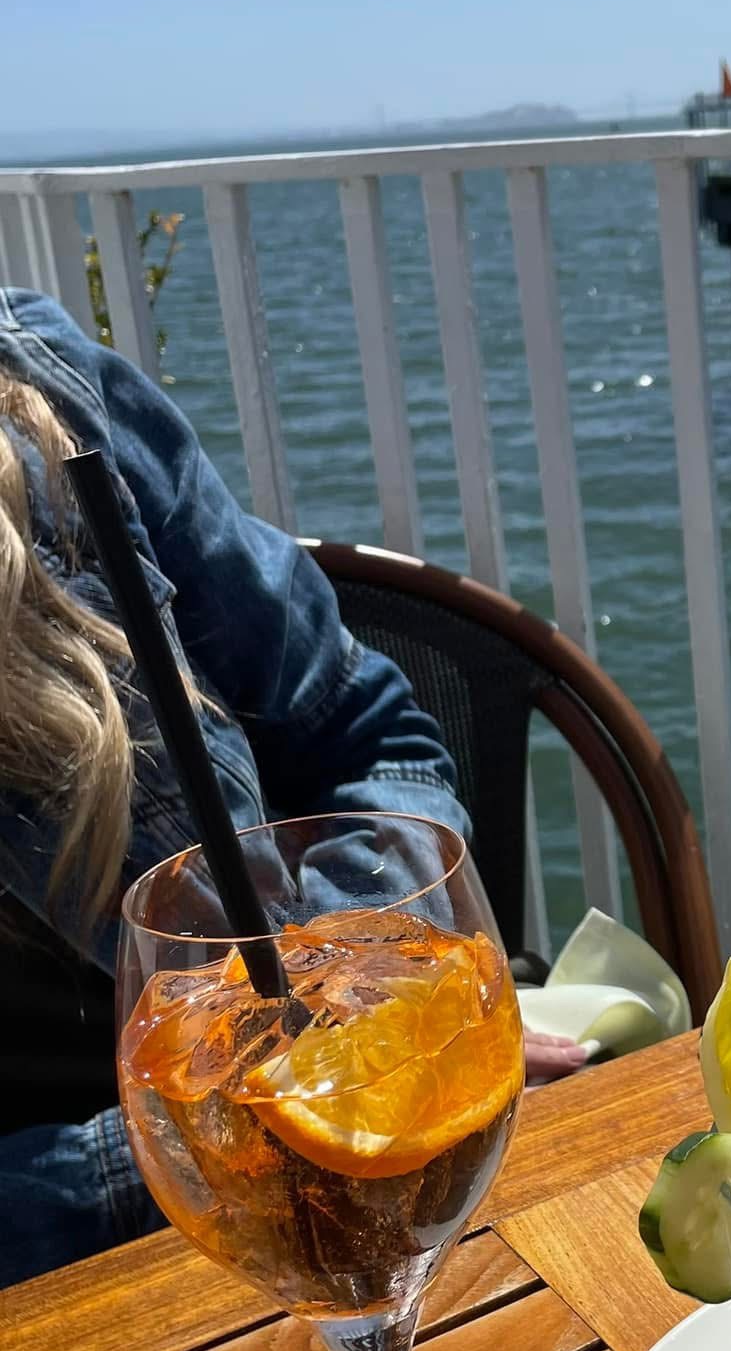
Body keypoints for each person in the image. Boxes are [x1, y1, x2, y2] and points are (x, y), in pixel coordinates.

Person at [0, 288, 584, 1287]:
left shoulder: (44, 398)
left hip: (325, 1175)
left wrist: (367, 1006)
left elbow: (370, 734)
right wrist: (187, 1145)